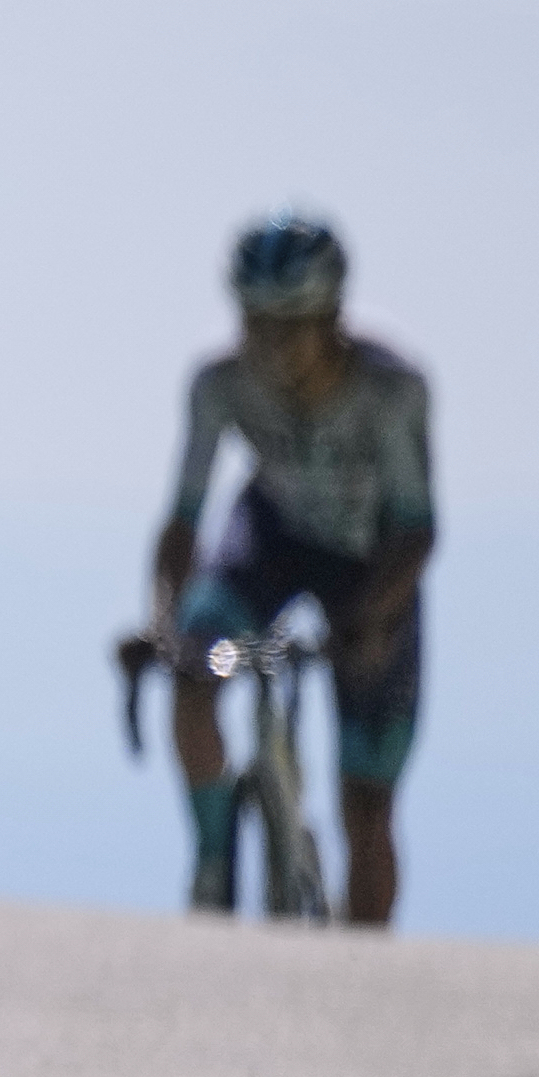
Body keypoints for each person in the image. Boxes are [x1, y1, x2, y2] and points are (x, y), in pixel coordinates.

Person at [133, 214, 433, 925]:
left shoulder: (393, 393)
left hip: (374, 562)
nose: (271, 345)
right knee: (194, 668)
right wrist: (164, 620)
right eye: (255, 322)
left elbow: (416, 531)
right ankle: (213, 858)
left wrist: (371, 625)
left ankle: (367, 972)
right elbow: (183, 519)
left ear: (331, 317)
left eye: (290, 323)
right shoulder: (218, 385)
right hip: (269, 541)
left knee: (367, 801)